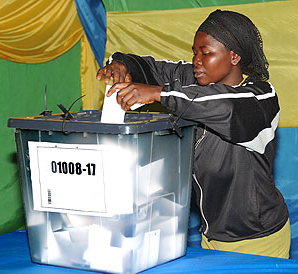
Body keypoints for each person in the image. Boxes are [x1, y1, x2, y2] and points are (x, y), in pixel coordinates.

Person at [97, 9, 290, 258]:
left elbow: (223, 106)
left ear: (234, 57)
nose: (196, 60)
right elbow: (150, 67)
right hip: (211, 236)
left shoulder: (259, 98)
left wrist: (159, 94)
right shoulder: (195, 81)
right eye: (194, 52)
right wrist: (122, 66)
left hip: (257, 239)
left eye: (206, 53)